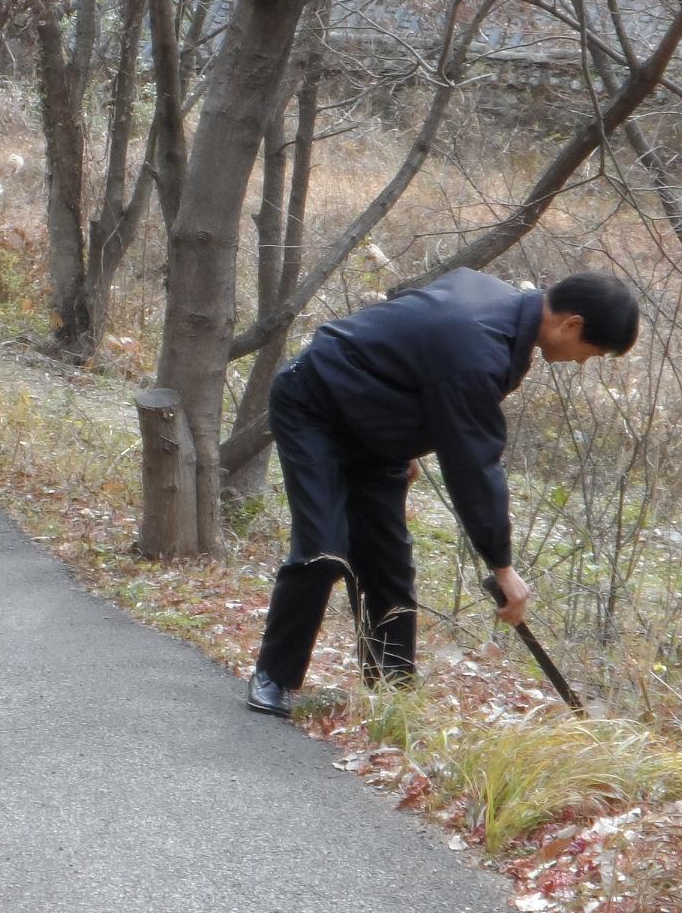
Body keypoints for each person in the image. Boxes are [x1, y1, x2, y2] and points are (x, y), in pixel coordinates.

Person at [246, 269, 639, 714]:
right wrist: (502, 564)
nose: (584, 362)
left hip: (372, 427)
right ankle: (273, 678)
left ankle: (392, 691)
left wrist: (405, 437)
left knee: (387, 561)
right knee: (324, 551)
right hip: (314, 407)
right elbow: (473, 464)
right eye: (593, 352)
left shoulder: (498, 305)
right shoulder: (479, 345)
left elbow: (410, 339)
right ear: (572, 324)